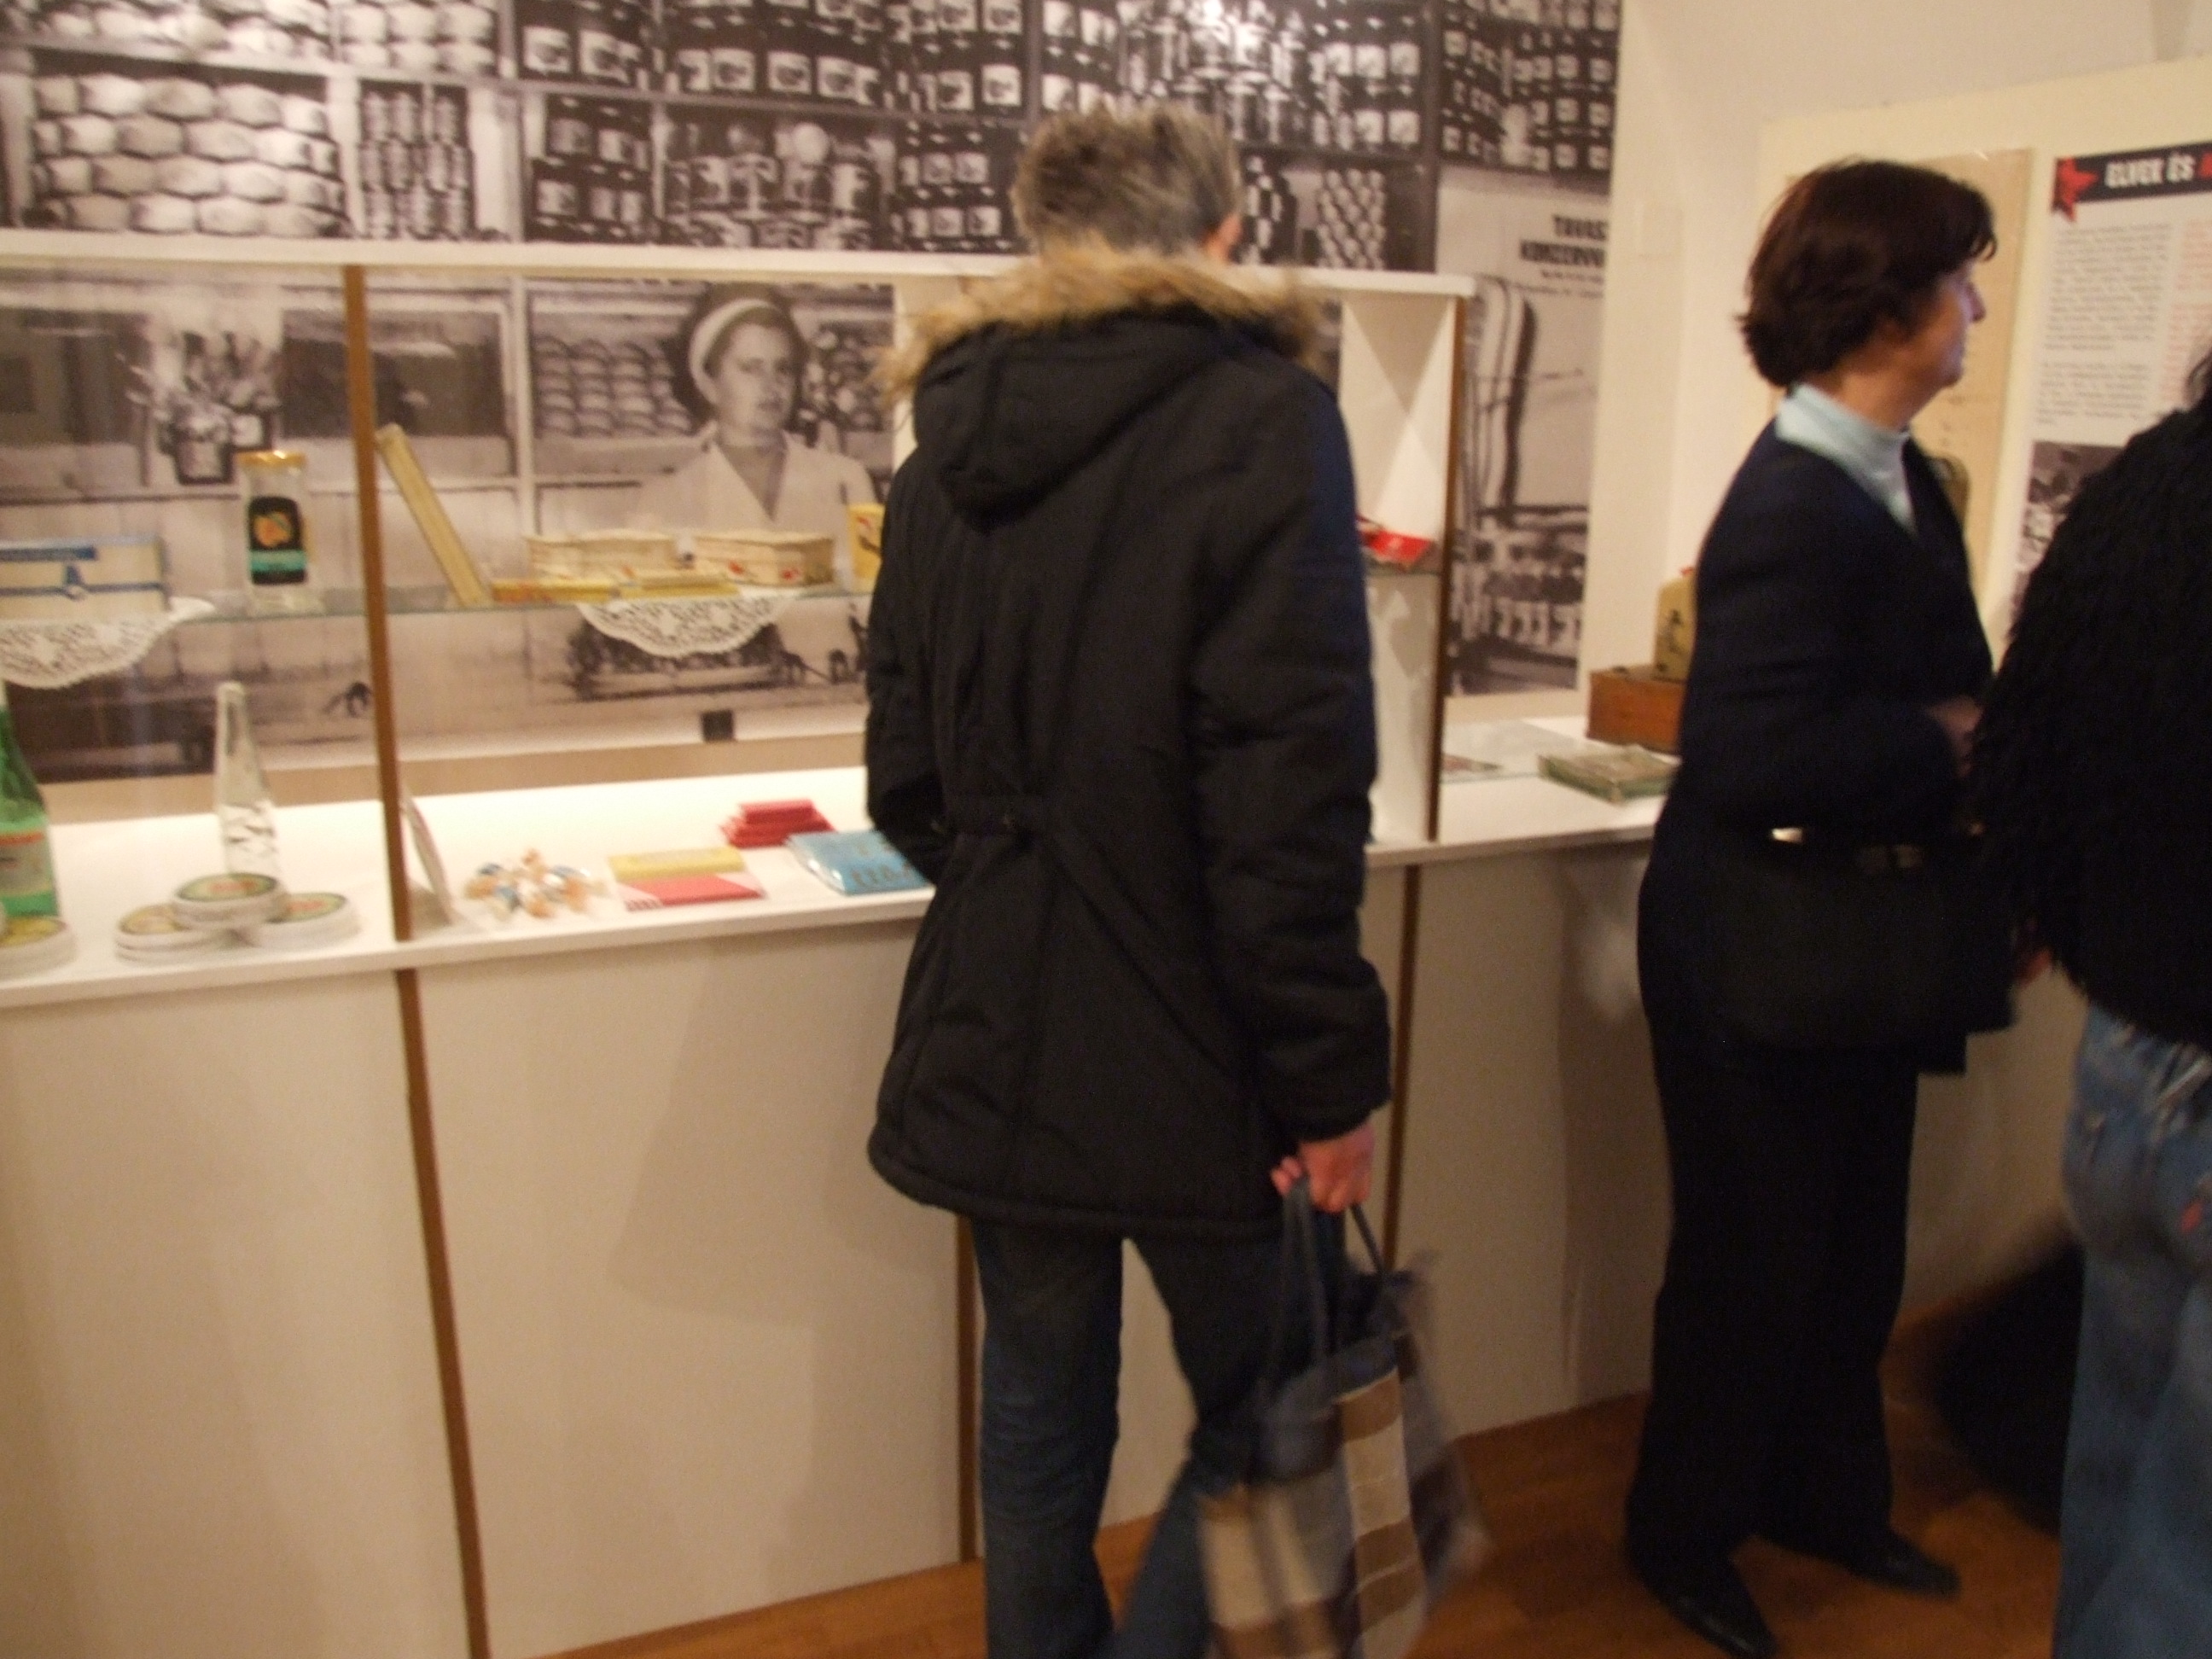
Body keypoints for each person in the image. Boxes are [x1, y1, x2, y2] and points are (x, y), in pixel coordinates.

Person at [864, 104, 1391, 1659]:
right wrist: (1327, 1078)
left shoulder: (941, 448)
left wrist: (1031, 885)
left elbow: (905, 777)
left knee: (1038, 1400)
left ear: (1044, 244)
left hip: (996, 1023)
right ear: (1223, 236)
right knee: (1280, 1393)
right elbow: (1286, 798)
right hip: (1197, 1034)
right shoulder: (1267, 421)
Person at [1626, 160, 1997, 1659]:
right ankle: (1682, 1533)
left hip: (1849, 940)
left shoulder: (1896, 477)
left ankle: (1825, 1496)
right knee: (1749, 1265)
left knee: (1849, 1252)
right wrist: (1943, 742)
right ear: (1887, 307)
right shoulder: (1793, 499)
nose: (1974, 307)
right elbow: (1745, 752)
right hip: (1756, 945)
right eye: (1959, 279)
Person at [1974, 349, 2212, 1659]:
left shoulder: (2141, 490)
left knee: (2115, 1476)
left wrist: (2093, 950)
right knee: (2190, 1554)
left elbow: (2023, 756)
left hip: (2122, 1064)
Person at [636, 285, 875, 572]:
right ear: (709, 385)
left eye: (783, 369)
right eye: (751, 368)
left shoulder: (847, 482)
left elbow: (875, 585)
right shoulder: (665, 500)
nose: (771, 386)